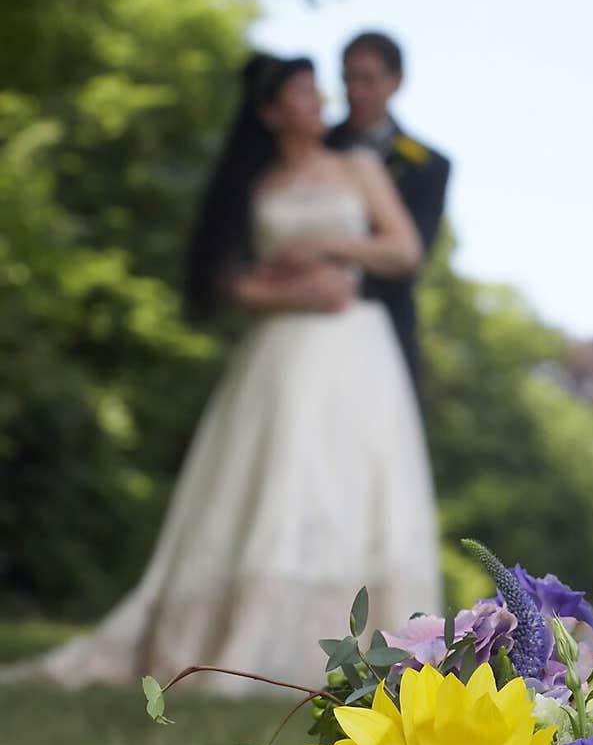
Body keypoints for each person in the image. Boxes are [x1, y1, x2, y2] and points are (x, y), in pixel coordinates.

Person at [1, 55, 441, 694]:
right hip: (282, 354)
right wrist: (292, 294)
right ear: (270, 112)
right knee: (278, 479)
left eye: (316, 90)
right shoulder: (254, 186)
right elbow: (231, 281)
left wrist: (328, 249)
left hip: (356, 349)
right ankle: (240, 644)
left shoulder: (359, 167)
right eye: (300, 92)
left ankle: (378, 652)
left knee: (350, 485)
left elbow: (402, 250)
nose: (319, 101)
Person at [325, 31, 451, 393]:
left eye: (368, 79)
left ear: (396, 82)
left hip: (382, 326)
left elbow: (416, 253)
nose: (355, 91)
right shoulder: (314, 146)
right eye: (347, 78)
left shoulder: (428, 165)